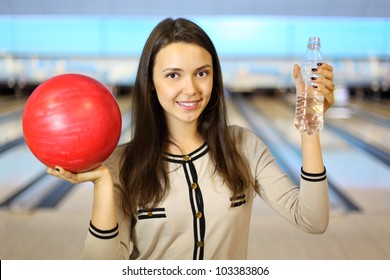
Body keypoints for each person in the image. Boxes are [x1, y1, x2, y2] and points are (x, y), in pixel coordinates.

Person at [47, 17, 335, 260]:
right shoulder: (122, 164)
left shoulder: (243, 147)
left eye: (201, 73)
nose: (191, 88)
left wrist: (310, 125)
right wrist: (102, 182)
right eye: (173, 75)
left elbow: (312, 220)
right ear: (150, 82)